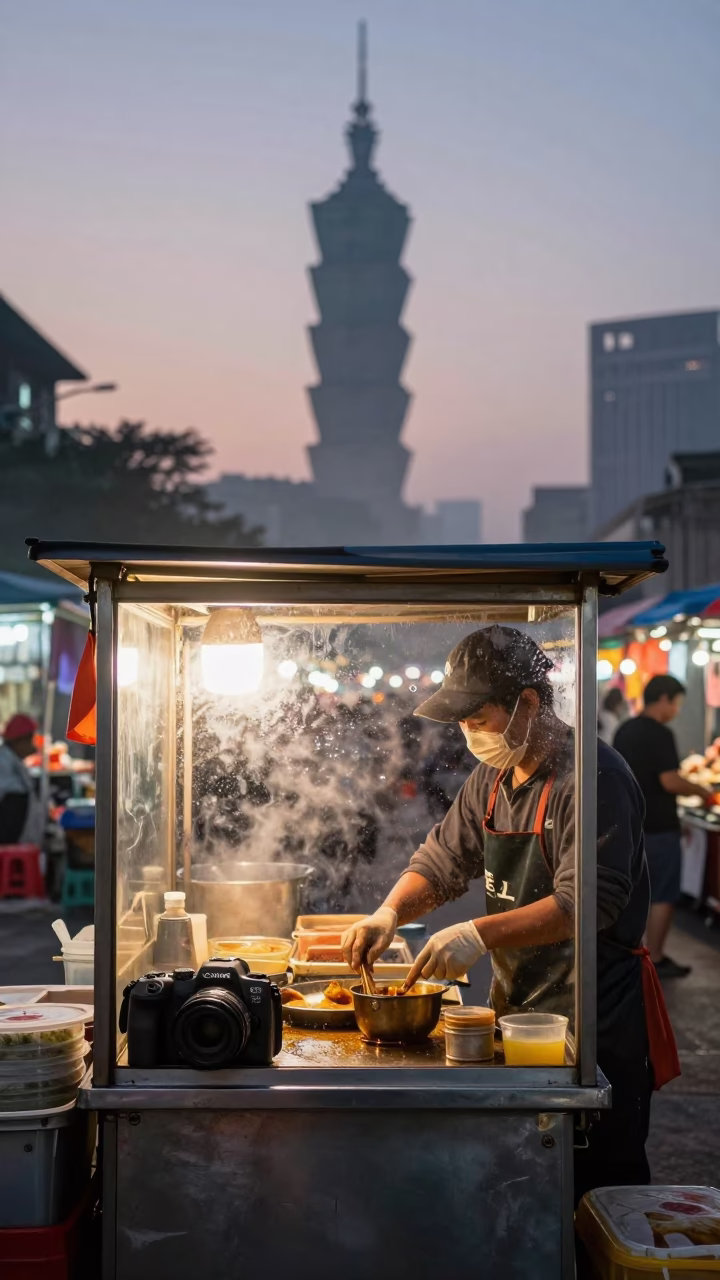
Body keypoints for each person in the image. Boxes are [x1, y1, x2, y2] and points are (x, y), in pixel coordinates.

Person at [342, 625, 675, 1202]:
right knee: (527, 1183)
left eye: (478, 718)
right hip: (518, 1008)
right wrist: (388, 912)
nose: (468, 733)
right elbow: (444, 859)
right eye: (461, 722)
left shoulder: (595, 778)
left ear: (527, 703)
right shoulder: (493, 778)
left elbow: (587, 901)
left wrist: (476, 932)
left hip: (594, 1015)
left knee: (595, 1187)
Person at [613, 674, 712, 979]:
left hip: (629, 828)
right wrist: (705, 793)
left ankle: (630, 954)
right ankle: (654, 957)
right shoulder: (660, 734)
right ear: (665, 699)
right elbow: (669, 781)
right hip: (659, 828)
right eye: (678, 703)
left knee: (632, 895)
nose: (678, 710)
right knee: (663, 895)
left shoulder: (624, 730)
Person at [0, 714, 44, 846]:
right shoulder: (3, 763)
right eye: (31, 739)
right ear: (19, 740)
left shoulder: (14, 761)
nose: (33, 744)